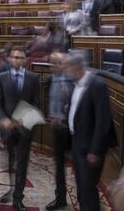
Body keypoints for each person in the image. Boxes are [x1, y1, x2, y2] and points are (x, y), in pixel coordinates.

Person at [64, 53, 117, 211]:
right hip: (78, 142)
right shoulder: (77, 83)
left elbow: (103, 121)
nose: (65, 71)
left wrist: (95, 150)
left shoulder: (96, 85)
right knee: (81, 185)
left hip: (90, 148)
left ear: (76, 67)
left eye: (67, 67)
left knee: (87, 187)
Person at [0, 46, 41, 211]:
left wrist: (24, 120)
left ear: (25, 60)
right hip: (7, 129)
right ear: (9, 59)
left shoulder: (34, 78)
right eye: (14, 57)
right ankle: (11, 189)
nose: (16, 60)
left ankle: (18, 198)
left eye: (20, 57)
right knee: (9, 161)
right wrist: (3, 119)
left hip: (25, 129)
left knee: (21, 163)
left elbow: (37, 105)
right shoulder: (2, 77)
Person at [45, 52, 73, 210]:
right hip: (57, 129)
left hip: (70, 129)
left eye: (56, 63)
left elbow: (75, 104)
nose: (53, 67)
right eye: (51, 64)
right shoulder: (52, 79)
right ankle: (60, 198)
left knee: (79, 167)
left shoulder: (71, 81)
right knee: (59, 165)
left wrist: (62, 116)